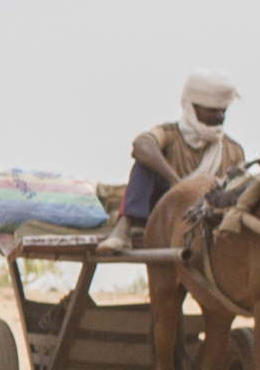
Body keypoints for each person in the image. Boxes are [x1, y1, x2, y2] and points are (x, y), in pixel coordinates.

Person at [93, 72, 245, 251]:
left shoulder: (233, 150)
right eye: (212, 110)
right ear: (191, 107)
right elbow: (141, 145)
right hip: (164, 213)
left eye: (223, 110)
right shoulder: (170, 134)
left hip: (206, 217)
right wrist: (176, 183)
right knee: (144, 163)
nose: (219, 116)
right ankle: (125, 228)